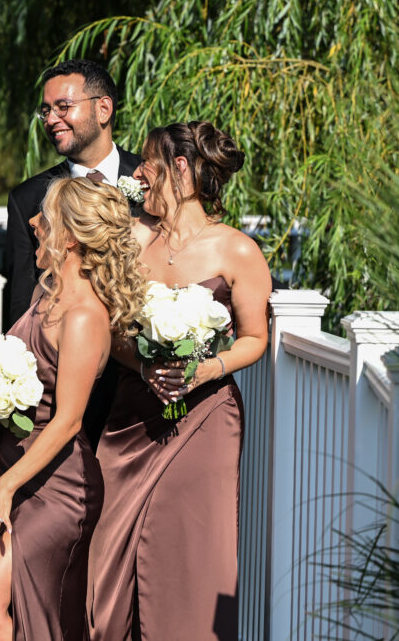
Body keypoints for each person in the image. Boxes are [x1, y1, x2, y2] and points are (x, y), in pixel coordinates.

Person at [88, 121, 272, 641]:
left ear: (182, 169)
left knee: (192, 552)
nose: (139, 172)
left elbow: (253, 339)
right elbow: (109, 328)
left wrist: (204, 370)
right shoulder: (132, 239)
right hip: (129, 421)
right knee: (107, 555)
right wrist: (143, 365)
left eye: (148, 161)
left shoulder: (237, 251)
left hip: (205, 420)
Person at [0, 177, 146, 641]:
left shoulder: (83, 317)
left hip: (59, 487)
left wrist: (5, 488)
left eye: (46, 216)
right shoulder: (47, 295)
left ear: (72, 236)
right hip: (21, 472)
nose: (34, 222)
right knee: (6, 608)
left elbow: (68, 420)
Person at [4, 59, 141, 447]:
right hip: (58, 398)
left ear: (103, 108)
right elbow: (21, 306)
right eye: (45, 110)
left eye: (63, 107)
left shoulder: (152, 182)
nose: (50, 119)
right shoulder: (28, 198)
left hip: (143, 394)